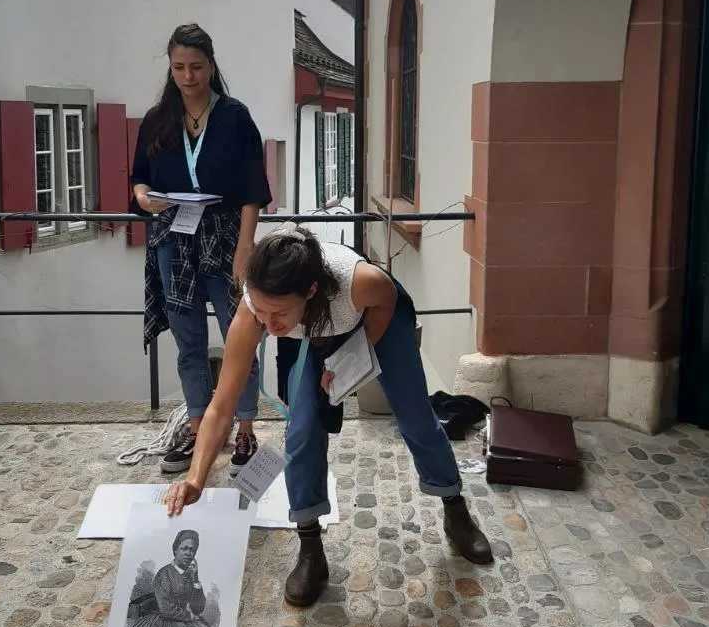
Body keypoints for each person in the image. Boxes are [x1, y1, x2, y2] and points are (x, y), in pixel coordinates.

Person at [165, 225, 493, 607]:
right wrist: (195, 479)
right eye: (262, 312)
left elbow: (387, 298)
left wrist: (351, 361)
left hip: (374, 320)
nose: (268, 326)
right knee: (302, 429)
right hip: (313, 334)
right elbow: (222, 405)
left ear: (309, 290)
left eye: (278, 313)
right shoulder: (256, 309)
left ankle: (455, 508)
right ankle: (310, 550)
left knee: (415, 416)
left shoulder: (360, 282)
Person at [131, 24, 270, 475]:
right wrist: (142, 197)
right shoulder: (156, 120)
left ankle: (244, 428)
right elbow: (139, 178)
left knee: (239, 337)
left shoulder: (235, 117)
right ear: (170, 69)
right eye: (179, 67)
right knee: (187, 341)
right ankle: (198, 429)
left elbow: (253, 190)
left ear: (211, 66)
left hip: (225, 237)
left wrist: (245, 248)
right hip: (173, 239)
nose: (188, 77)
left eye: (196, 67)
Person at [125, 529, 219, 627]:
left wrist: (195, 578)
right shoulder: (164, 575)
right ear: (175, 550)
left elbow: (198, 608)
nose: (188, 553)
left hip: (184, 620)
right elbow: (166, 609)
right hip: (163, 623)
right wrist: (190, 617)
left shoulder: (189, 575)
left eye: (192, 550)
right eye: (184, 548)